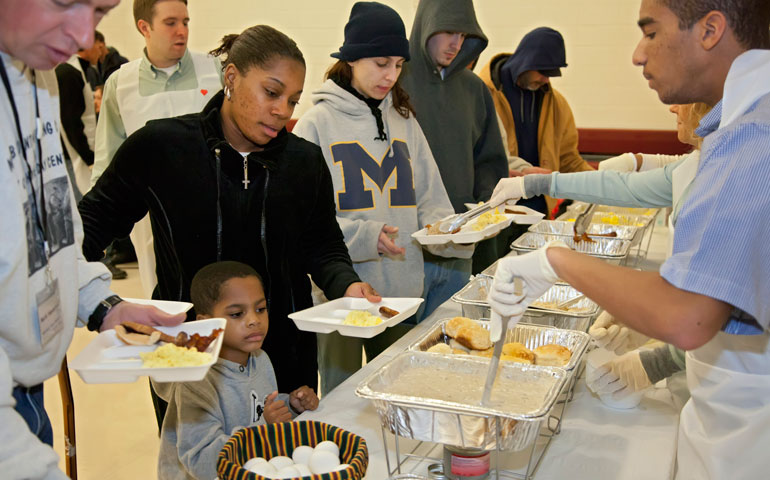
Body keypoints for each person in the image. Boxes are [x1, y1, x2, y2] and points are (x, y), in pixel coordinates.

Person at [486, 1, 770, 478]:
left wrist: (556, 263)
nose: (639, 54)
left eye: (651, 32)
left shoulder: (751, 136)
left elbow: (689, 315)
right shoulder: (742, 128)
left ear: (711, 30)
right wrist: (545, 183)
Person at [79, 24, 380, 426]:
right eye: (271, 93)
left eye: (292, 100)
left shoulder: (304, 162)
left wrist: (346, 283)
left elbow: (323, 244)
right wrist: (87, 297)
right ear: (232, 77)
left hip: (282, 360)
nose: (283, 111)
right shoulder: (161, 148)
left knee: (283, 461)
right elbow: (87, 226)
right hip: (189, 360)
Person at [0, 1, 185, 478]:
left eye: (101, 12)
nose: (85, 35)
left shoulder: (35, 69)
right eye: (64, 3)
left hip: (26, 383)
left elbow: (50, 221)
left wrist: (99, 302)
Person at [293, 1, 472, 394]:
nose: (390, 75)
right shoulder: (316, 124)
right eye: (380, 63)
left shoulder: (403, 119)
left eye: (397, 64)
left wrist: (451, 231)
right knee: (340, 397)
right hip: (340, 294)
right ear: (352, 59)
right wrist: (364, 236)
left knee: (395, 392)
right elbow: (305, 221)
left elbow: (429, 196)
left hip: (402, 294)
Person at [92, 0, 224, 297]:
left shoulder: (213, 71)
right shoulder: (120, 83)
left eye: (186, 22)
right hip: (150, 219)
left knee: (216, 297)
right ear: (144, 27)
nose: (182, 31)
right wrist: (97, 228)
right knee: (164, 300)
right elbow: (107, 160)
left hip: (211, 209)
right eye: (171, 22)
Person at [156, 261, 318, 480]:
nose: (254, 320)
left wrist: (290, 405)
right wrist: (263, 430)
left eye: (260, 309)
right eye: (236, 314)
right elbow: (201, 463)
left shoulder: (260, 359)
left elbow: (258, 406)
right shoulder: (196, 382)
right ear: (207, 322)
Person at [400, 0, 508, 303]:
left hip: (460, 246)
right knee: (399, 344)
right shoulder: (394, 81)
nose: (455, 44)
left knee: (449, 338)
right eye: (447, 31)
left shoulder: (475, 90)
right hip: (405, 248)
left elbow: (489, 161)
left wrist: (484, 214)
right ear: (425, 26)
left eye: (463, 35)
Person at [478, 27, 594, 216]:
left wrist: (602, 183)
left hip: (539, 211)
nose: (546, 79)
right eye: (543, 72)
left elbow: (568, 159)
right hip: (496, 208)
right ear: (526, 62)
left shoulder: (557, 105)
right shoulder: (481, 94)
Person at [55, 34, 104, 198]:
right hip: (73, 156)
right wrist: (89, 157)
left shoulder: (79, 71)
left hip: (80, 152)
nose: (100, 51)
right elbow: (71, 122)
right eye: (98, 46)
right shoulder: (68, 72)